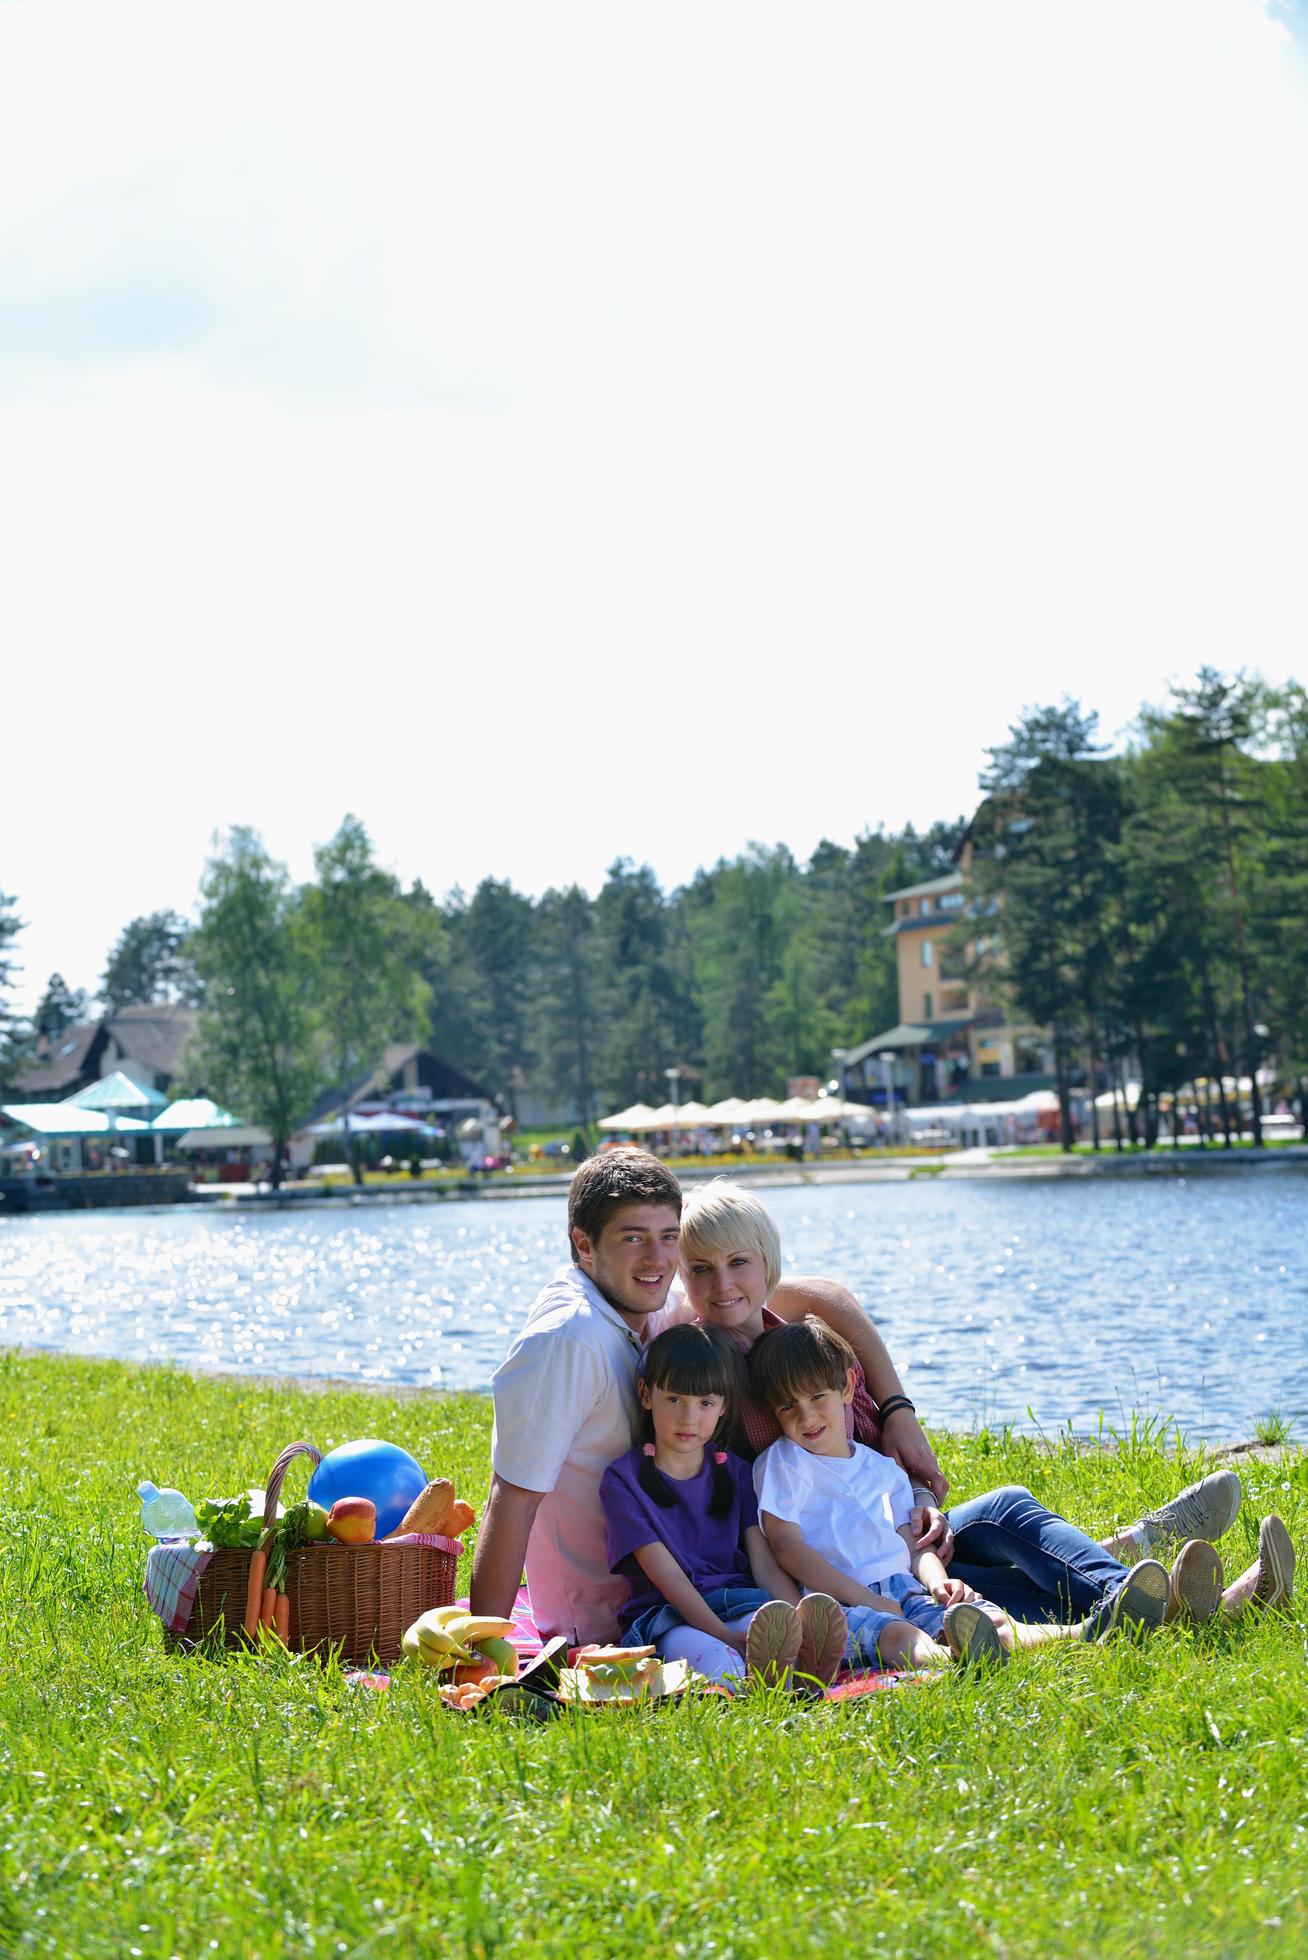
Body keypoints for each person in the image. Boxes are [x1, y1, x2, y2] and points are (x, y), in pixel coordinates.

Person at [676, 1178, 1254, 1624]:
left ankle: (1127, 1576)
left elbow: (832, 1303)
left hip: (898, 1528)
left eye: (738, 1264)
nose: (723, 1284)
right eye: (702, 1269)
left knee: (1005, 1508)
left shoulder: (805, 1335)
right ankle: (1152, 1578)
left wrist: (920, 1490)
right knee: (982, 1585)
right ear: (684, 1277)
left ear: (767, 1265)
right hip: (850, 1568)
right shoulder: (708, 1375)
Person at [470, 1148, 944, 1645]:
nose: (656, 1259)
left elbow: (822, 1294)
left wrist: (898, 1412)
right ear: (584, 1245)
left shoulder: (653, 1305)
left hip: (805, 1561)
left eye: (668, 1238)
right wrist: (482, 1650)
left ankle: (995, 1623)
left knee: (996, 1520)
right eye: (633, 1238)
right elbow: (512, 1498)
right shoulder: (569, 1341)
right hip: (630, 1609)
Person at [748, 1318, 1171, 1668]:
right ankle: (951, 1664)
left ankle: (1088, 1632)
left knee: (983, 1617)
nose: (806, 1416)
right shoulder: (785, 1463)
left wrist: (939, 1583)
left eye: (816, 1397)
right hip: (838, 1599)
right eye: (788, 1407)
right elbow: (787, 1548)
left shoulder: (881, 1468)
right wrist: (864, 1597)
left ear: (846, 1385)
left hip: (903, 1586)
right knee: (899, 1636)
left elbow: (913, 1547)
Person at [598, 1322, 848, 1686]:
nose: (689, 1418)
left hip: (741, 1602)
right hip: (669, 1616)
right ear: (646, 1394)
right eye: (674, 1399)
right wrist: (722, 1634)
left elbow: (764, 1565)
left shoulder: (737, 1473)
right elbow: (668, 1578)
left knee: (784, 1640)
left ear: (723, 1407)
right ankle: (764, 1684)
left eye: (705, 1403)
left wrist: (797, 1616)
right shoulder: (623, 1481)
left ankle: (799, 1678)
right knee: (724, 1663)